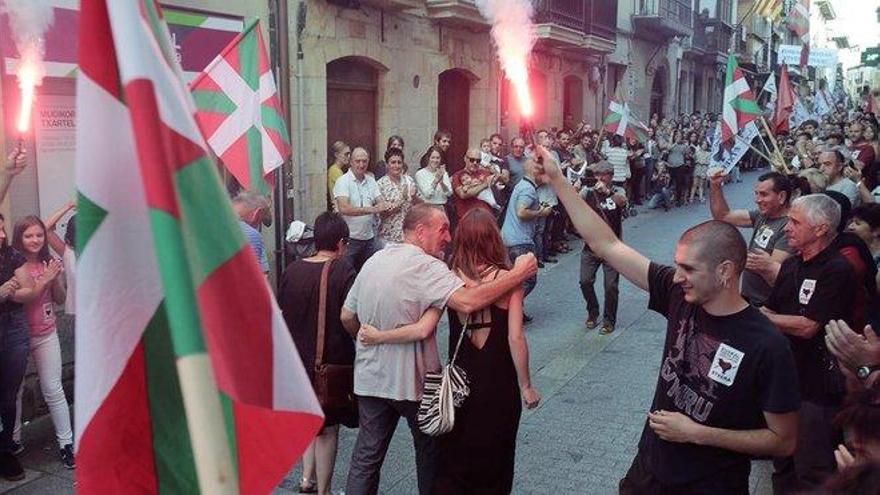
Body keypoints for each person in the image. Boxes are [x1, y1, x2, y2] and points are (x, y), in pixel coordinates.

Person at [538, 145, 800, 494]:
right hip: (648, 471)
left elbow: (783, 441)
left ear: (724, 272)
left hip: (709, 485)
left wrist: (698, 434)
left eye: (688, 268)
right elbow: (607, 244)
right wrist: (557, 179)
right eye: (677, 265)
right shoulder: (680, 294)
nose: (677, 276)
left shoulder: (767, 345)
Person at [341, 203, 538, 495]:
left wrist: (371, 341)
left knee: (366, 457)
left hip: (372, 377)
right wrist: (518, 273)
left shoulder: (375, 260)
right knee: (432, 451)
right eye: (443, 229)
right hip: (416, 381)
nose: (448, 237)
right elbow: (474, 307)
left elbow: (347, 315)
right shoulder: (431, 268)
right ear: (421, 232)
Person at [762, 194, 857, 493]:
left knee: (812, 467)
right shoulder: (791, 266)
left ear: (821, 228)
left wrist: (760, 317)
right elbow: (771, 310)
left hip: (818, 390)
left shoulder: (837, 270)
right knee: (783, 462)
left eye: (794, 222)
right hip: (785, 382)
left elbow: (808, 327)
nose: (787, 228)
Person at [280, 212, 357, 495]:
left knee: (309, 423)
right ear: (340, 243)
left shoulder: (292, 270)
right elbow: (350, 315)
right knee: (328, 429)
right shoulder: (343, 270)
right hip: (329, 360)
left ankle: (305, 479)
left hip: (296, 360)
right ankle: (323, 490)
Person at [11, 216, 74, 469]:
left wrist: (56, 278)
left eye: (39, 235)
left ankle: (66, 443)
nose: (35, 240)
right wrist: (45, 279)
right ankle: (13, 439)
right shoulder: (13, 265)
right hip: (18, 336)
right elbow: (21, 299)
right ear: (20, 239)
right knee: (13, 391)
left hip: (47, 333)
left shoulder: (49, 262)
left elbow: (59, 299)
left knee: (53, 388)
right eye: (29, 236)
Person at [709, 171, 793, 306]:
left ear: (782, 196)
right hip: (749, 298)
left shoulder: (790, 227)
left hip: (767, 305)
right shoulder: (763, 215)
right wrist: (715, 186)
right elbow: (723, 216)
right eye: (757, 194)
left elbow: (771, 269)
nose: (757, 200)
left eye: (764, 194)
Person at [579, 162, 626, 335]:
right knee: (585, 281)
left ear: (610, 176)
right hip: (591, 246)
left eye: (602, 175)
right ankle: (593, 310)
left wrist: (608, 192)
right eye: (596, 174)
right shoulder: (588, 191)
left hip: (612, 248)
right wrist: (576, 189)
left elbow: (623, 202)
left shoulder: (618, 191)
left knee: (611, 286)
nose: (599, 178)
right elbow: (575, 205)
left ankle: (609, 320)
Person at [0, 213, 30, 481]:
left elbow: (28, 290)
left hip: (14, 329)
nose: (1, 235)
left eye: (2, 228)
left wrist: (9, 290)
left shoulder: (12, 256)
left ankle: (5, 450)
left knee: (9, 397)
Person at [501, 154, 551, 313]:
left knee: (515, 280)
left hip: (509, 239)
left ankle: (516, 311)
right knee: (529, 279)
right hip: (520, 242)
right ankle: (510, 307)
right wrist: (540, 213)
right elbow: (522, 212)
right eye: (541, 171)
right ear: (535, 172)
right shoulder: (528, 189)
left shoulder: (521, 184)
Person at [333, 147, 390, 271]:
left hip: (369, 238)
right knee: (347, 276)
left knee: (367, 276)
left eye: (364, 161)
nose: (361, 164)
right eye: (358, 161)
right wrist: (372, 209)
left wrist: (383, 204)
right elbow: (344, 208)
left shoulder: (371, 181)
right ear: (351, 162)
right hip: (349, 241)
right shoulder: (342, 181)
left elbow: (380, 200)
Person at [377, 148, 419, 245]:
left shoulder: (409, 180)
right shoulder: (380, 185)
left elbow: (418, 206)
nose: (396, 166)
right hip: (388, 238)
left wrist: (414, 197)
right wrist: (402, 199)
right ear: (387, 165)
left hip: (408, 236)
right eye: (393, 162)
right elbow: (382, 215)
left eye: (399, 163)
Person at [232, 191, 271, 275]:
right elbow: (254, 276)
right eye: (260, 221)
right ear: (257, 213)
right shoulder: (252, 235)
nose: (257, 226)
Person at [451, 148, 497, 219]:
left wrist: (494, 170)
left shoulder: (484, 172)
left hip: (487, 217)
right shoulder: (457, 175)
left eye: (478, 161)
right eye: (472, 160)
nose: (475, 163)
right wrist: (485, 184)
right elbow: (463, 195)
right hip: (469, 219)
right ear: (465, 159)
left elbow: (500, 179)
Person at [327, 141, 351, 206]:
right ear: (336, 155)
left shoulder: (337, 170)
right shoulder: (335, 170)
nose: (349, 156)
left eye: (349, 154)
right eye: (346, 154)